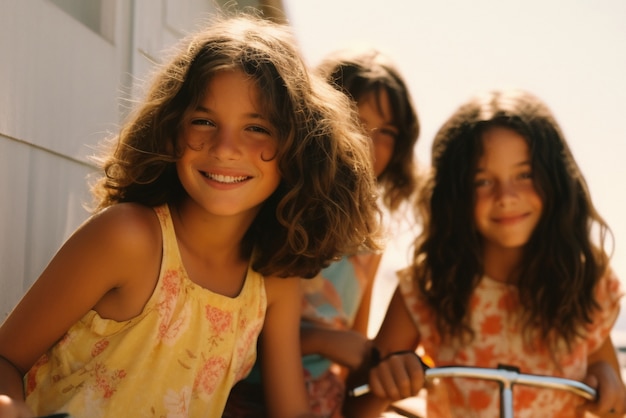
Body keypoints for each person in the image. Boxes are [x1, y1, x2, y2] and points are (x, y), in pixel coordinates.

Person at [0, 13, 382, 418]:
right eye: (204, 121)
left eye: (257, 128)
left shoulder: (272, 284)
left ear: (300, 149)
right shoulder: (127, 237)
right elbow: (6, 359)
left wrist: (383, 395)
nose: (225, 148)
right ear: (171, 129)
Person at [344, 88, 626, 417]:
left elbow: (614, 406)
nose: (506, 196)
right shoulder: (427, 287)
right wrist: (389, 379)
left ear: (556, 181)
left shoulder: (584, 281)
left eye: (524, 175)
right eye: (482, 181)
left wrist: (607, 378)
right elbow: (354, 408)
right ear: (457, 195)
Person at [224, 48, 420, 417]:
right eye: (356, 120)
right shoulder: (280, 207)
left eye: (388, 132)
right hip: (241, 396)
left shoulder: (370, 238)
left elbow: (353, 352)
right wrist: (322, 340)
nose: (370, 141)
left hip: (322, 402)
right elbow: (224, 325)